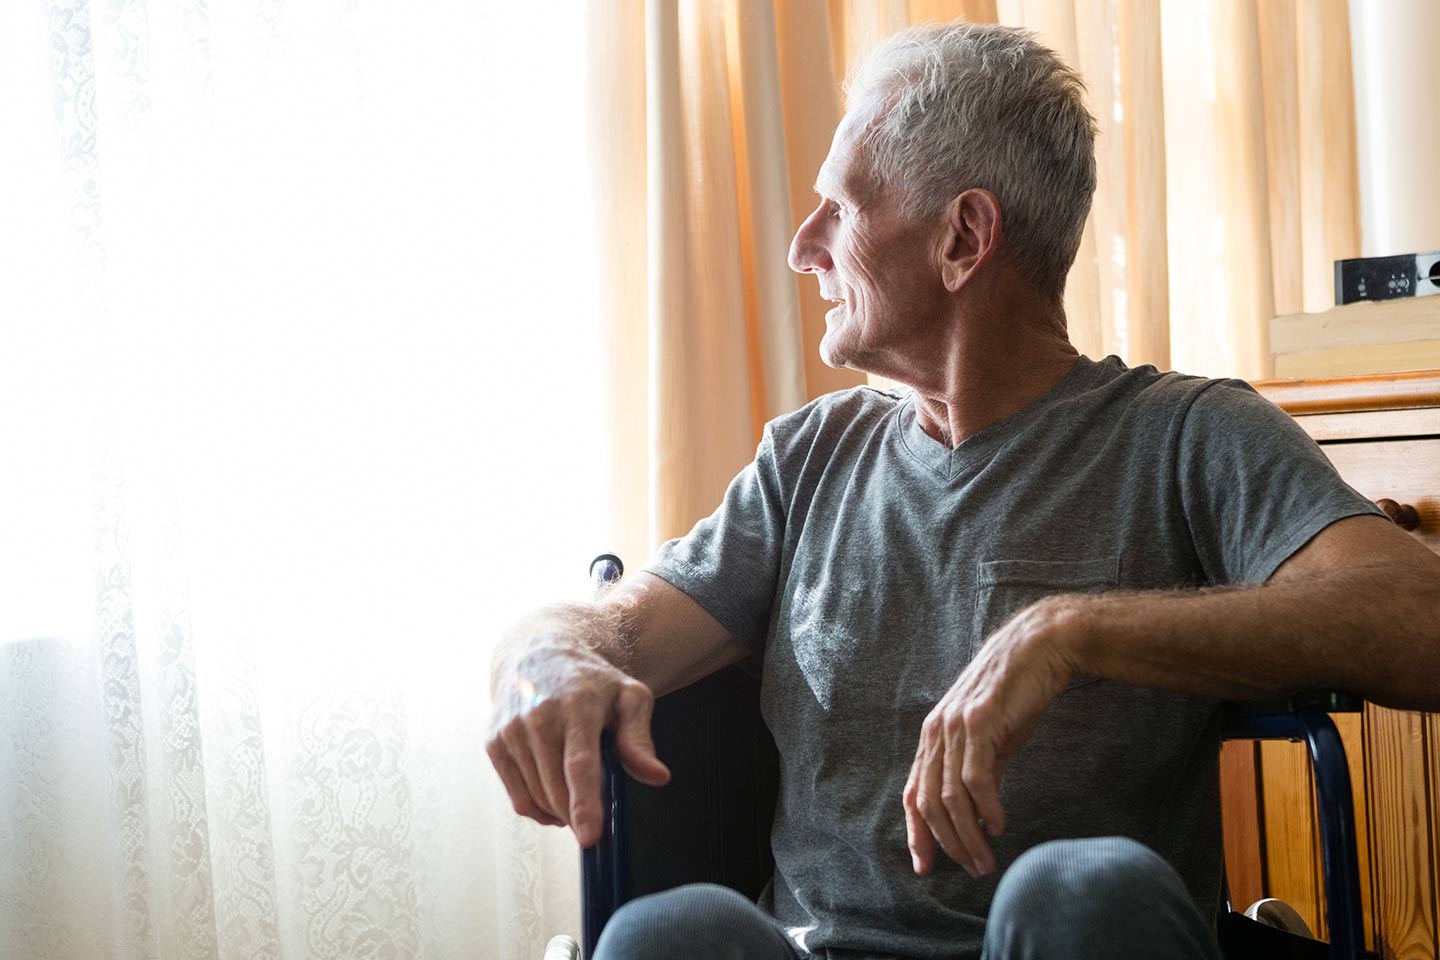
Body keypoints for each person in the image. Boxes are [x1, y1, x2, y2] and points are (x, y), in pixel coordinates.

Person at [487, 21, 1440, 960]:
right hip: (818, 949)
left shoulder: (1185, 435)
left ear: (964, 238)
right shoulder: (809, 458)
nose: (802, 247)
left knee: (1081, 888)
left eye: (841, 210)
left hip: (1062, 941)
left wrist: (1073, 632)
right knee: (668, 933)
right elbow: (614, 629)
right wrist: (544, 660)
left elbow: (1422, 616)